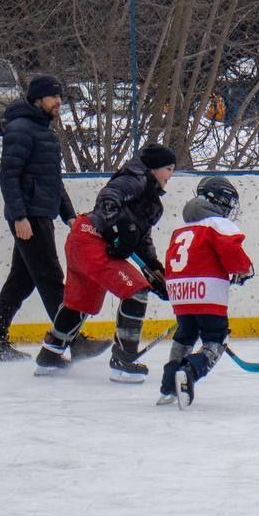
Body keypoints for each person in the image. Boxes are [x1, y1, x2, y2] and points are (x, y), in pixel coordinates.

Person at [0, 74, 107, 362]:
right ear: (38, 98)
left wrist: (70, 216)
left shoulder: (43, 131)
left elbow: (53, 179)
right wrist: (19, 217)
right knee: (51, 277)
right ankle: (72, 340)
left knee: (21, 281)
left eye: (60, 96)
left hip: (41, 212)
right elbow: (8, 176)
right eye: (54, 96)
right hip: (30, 217)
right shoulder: (21, 130)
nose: (59, 101)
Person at [34, 144, 176, 382]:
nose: (170, 175)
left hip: (83, 237)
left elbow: (141, 238)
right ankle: (123, 361)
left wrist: (154, 268)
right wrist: (120, 228)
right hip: (92, 239)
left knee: (80, 302)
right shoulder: (136, 178)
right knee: (136, 291)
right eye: (168, 168)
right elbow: (108, 198)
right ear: (153, 168)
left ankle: (50, 356)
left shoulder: (149, 198)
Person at [158, 177, 254, 407]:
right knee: (215, 337)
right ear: (219, 201)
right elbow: (232, 254)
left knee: (186, 333)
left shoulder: (182, 228)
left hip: (179, 290)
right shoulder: (218, 224)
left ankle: (168, 385)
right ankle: (190, 371)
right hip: (207, 291)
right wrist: (244, 270)